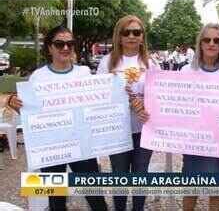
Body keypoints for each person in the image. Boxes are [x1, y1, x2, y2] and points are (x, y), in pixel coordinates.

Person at [8, 25, 107, 211]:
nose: (65, 48)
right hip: (51, 149)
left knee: (96, 197)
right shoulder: (38, 77)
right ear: (49, 48)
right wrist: (16, 105)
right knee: (56, 200)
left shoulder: (84, 73)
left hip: (82, 145)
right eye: (59, 43)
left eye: (70, 43)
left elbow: (96, 107)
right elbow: (31, 115)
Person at [97, 15, 159, 211]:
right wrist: (118, 96)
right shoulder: (107, 62)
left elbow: (161, 97)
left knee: (141, 175)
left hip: (144, 130)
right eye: (126, 32)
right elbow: (99, 96)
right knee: (119, 175)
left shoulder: (152, 64)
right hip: (117, 130)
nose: (131, 36)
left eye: (136, 32)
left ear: (142, 36)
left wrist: (147, 106)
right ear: (119, 36)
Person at [180, 23, 219, 211]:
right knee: (190, 187)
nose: (211, 43)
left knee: (218, 190)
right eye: (207, 39)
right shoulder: (186, 71)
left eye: (217, 40)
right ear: (200, 43)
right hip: (195, 141)